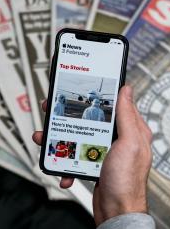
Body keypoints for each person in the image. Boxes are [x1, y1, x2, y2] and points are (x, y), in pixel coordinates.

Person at [32, 85, 155, 228]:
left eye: (92, 98)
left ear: (93, 100)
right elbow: (103, 122)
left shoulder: (87, 110)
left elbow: (84, 121)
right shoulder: (100, 112)